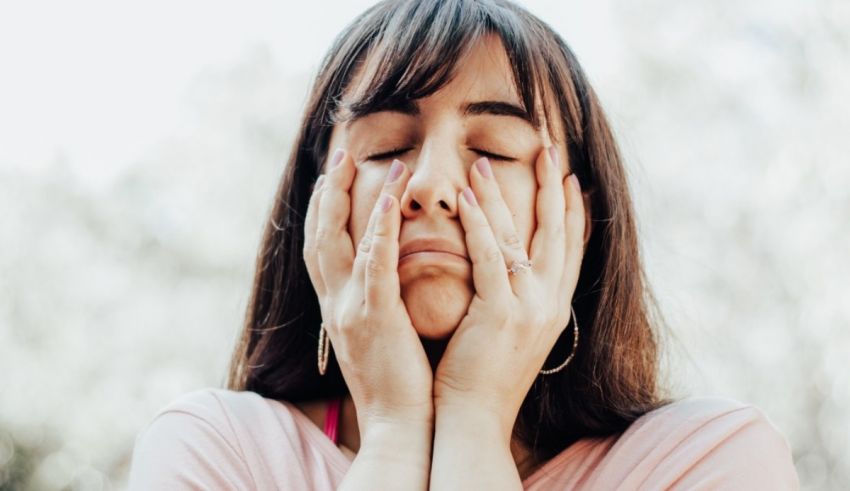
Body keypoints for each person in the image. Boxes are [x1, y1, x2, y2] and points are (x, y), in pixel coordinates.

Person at [128, 0, 799, 489]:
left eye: (494, 149)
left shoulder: (709, 461)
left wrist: (474, 416)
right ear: (317, 208)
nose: (429, 185)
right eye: (387, 146)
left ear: (577, 216)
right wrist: (392, 429)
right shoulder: (215, 450)